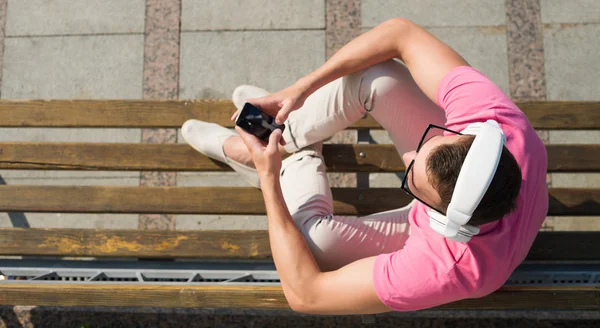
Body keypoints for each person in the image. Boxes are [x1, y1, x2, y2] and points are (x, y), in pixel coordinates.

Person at [182, 18, 548, 314]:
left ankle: (288, 157)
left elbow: (307, 295)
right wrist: (300, 88)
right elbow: (401, 33)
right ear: (468, 136)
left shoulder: (448, 266)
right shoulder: (500, 125)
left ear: (437, 215)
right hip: (469, 202)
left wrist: (268, 181)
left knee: (312, 241)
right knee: (379, 78)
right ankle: (285, 131)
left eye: (411, 178)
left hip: (453, 239)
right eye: (431, 140)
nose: (411, 153)